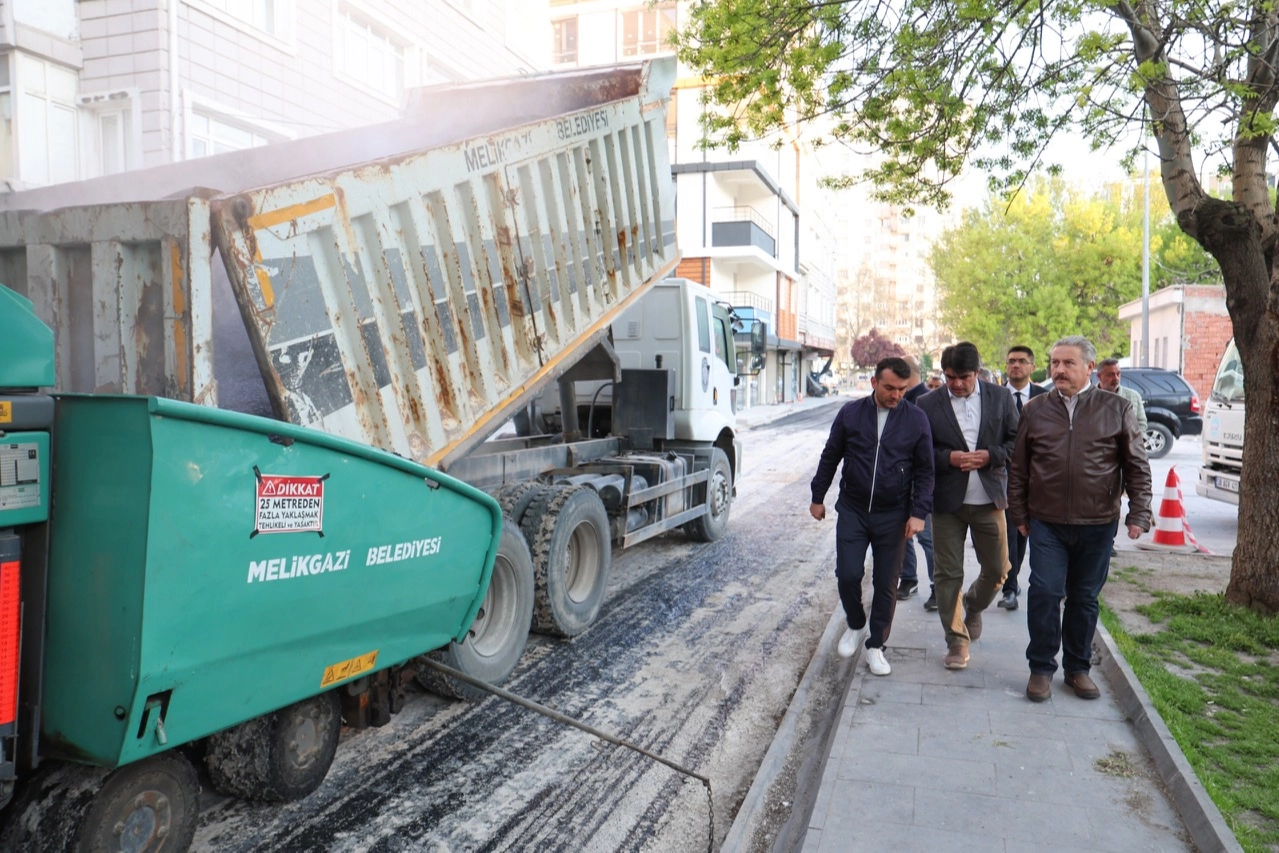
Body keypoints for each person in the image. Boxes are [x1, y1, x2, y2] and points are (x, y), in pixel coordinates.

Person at [1008, 336, 1152, 702]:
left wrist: (1140, 510)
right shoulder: (1035, 410)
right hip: (1047, 522)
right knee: (1044, 592)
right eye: (1054, 363)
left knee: (1084, 598)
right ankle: (1041, 668)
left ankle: (1077, 668)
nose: (1058, 370)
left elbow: (1137, 464)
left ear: (1089, 367)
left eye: (1067, 363)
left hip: (1097, 522)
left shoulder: (1117, 408)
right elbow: (1019, 468)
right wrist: (1019, 513)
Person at [810, 357, 935, 677]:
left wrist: (918, 513)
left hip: (893, 514)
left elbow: (925, 470)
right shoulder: (851, 414)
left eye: (902, 389)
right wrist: (817, 496)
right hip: (852, 508)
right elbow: (831, 454)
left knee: (886, 583)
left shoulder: (916, 419)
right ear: (874, 383)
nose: (896, 395)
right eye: (890, 388)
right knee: (848, 574)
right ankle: (855, 623)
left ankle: (876, 645)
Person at [916, 343, 1018, 670]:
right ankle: (956, 641)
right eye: (949, 377)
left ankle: (972, 605)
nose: (956, 383)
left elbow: (1018, 443)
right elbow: (919, 453)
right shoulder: (927, 404)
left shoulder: (1001, 398)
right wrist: (949, 458)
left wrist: (991, 456)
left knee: (999, 570)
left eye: (963, 377)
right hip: (946, 504)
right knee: (948, 574)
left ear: (977, 372)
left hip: (989, 500)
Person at [998, 345, 1047, 611]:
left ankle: (1033, 584)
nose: (1016, 365)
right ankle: (1010, 587)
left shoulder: (1045, 396)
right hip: (1004, 475)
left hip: (1039, 477)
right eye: (1011, 361)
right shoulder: (994, 396)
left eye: (1021, 361)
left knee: (1029, 532)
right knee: (1012, 532)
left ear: (1032, 366)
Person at [900, 358, 937, 609]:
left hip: (922, 482)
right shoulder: (902, 398)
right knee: (901, 535)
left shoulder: (925, 401)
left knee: (927, 537)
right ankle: (909, 579)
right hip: (899, 481)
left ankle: (938, 586)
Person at [1096, 358, 1147, 434]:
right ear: (1099, 376)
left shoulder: (1133, 396)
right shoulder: (1087, 397)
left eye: (1118, 374)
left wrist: (1134, 441)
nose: (1116, 378)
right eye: (1111, 375)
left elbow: (1142, 424)